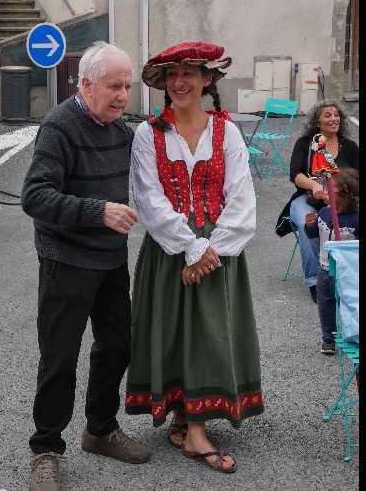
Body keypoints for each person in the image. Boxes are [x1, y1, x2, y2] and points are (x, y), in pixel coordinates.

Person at [123, 41, 264, 474]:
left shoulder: (227, 131)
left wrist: (209, 251)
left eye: (188, 73)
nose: (179, 82)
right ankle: (186, 421)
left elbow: (241, 198)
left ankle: (196, 426)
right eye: (171, 75)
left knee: (207, 334)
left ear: (207, 80)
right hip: (170, 250)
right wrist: (189, 246)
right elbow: (148, 198)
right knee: (173, 330)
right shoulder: (149, 133)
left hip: (219, 250)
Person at [20, 40, 150, 491]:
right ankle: (46, 450)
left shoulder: (122, 132)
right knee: (59, 357)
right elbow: (34, 196)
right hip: (66, 260)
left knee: (117, 346)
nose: (122, 96)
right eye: (114, 86)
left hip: (110, 260)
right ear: (87, 83)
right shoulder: (59, 126)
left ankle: (99, 430)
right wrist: (99, 212)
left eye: (128, 87)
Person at [281, 99, 359, 304]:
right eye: (327, 115)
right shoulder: (305, 143)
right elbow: (294, 174)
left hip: (343, 201)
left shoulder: (349, 146)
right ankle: (316, 281)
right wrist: (314, 186)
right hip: (307, 198)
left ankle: (348, 275)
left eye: (336, 115)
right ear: (317, 122)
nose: (334, 119)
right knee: (309, 225)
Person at [304, 167, 360, 354]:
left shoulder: (355, 219)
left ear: (345, 196)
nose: (325, 192)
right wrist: (309, 225)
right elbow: (313, 235)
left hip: (348, 270)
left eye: (330, 190)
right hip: (325, 269)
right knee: (325, 304)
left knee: (350, 302)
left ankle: (354, 333)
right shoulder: (325, 213)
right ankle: (328, 337)